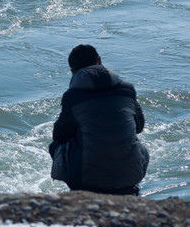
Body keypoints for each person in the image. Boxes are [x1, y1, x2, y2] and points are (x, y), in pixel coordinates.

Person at [49, 44, 149, 196]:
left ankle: (78, 192)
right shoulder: (127, 89)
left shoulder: (73, 96)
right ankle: (126, 189)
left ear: (73, 72)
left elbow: (59, 136)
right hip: (131, 174)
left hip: (88, 180)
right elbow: (139, 127)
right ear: (99, 61)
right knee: (138, 144)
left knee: (55, 146)